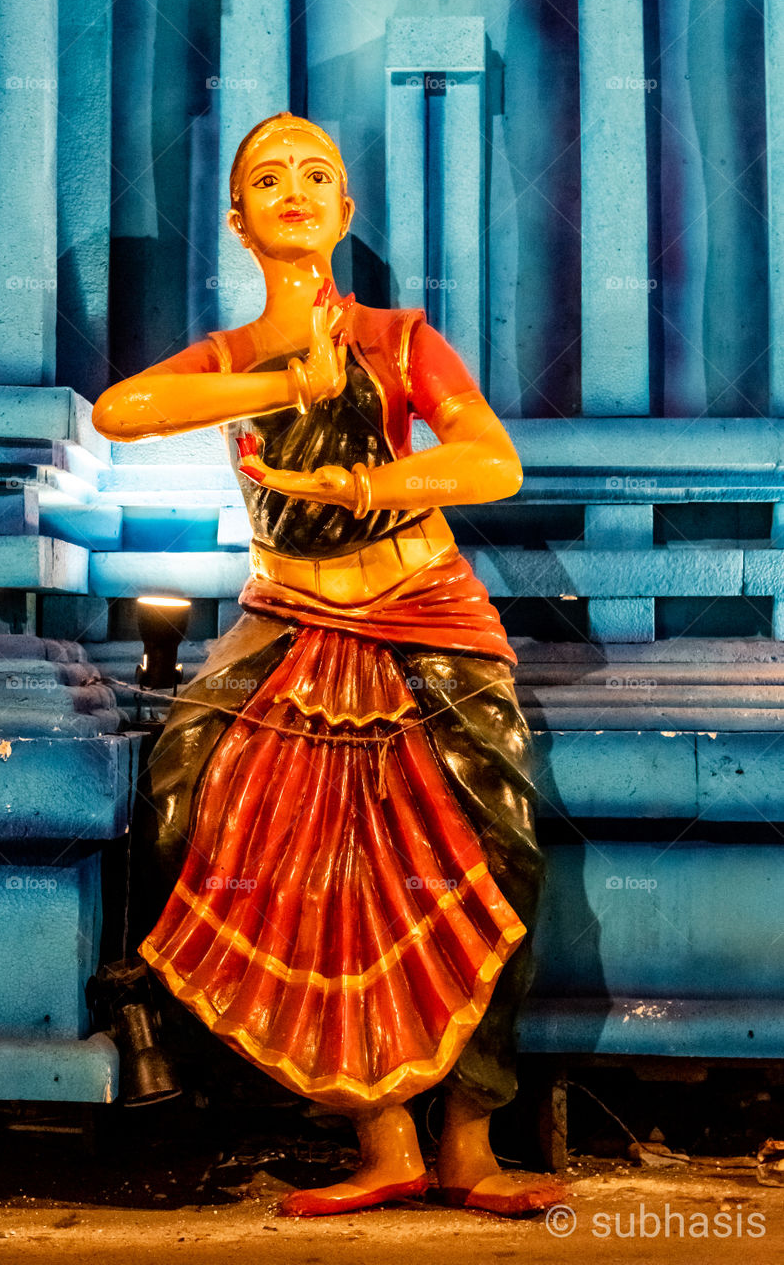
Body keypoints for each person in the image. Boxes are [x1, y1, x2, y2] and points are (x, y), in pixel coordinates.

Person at [92, 112, 567, 1218]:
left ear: (345, 212)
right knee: (184, 797)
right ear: (238, 220)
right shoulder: (231, 359)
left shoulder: (399, 340)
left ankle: (471, 1137)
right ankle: (380, 1134)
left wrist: (365, 487)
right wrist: (283, 381)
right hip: (290, 618)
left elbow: (490, 462)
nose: (295, 190)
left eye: (317, 174)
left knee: (501, 844)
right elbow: (124, 410)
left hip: (425, 612)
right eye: (269, 178)